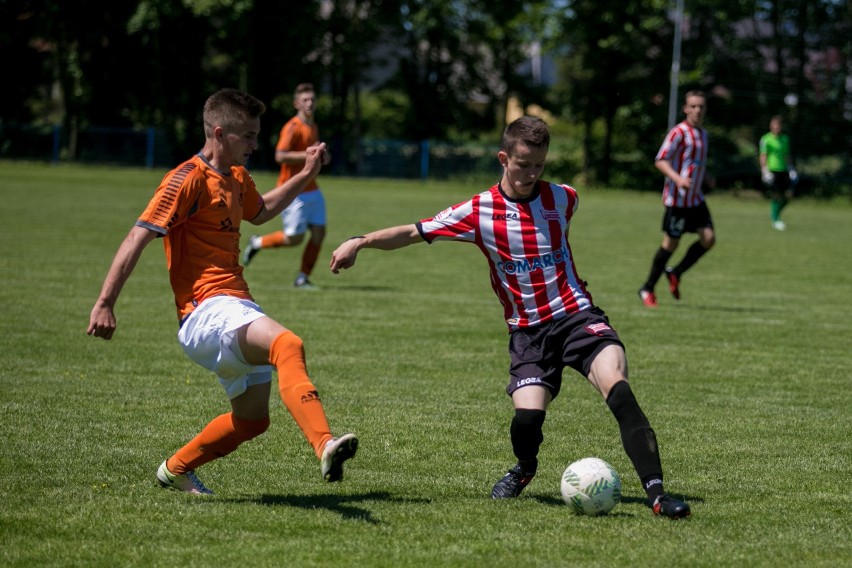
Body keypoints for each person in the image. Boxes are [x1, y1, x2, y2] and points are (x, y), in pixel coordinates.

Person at [329, 116, 691, 519]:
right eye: (523, 165)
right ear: (504, 158)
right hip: (528, 333)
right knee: (527, 418)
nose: (532, 174)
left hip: (577, 316)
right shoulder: (479, 210)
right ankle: (525, 467)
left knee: (619, 390)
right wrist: (360, 241)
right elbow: (415, 232)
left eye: (539, 165)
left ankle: (658, 495)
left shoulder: (564, 198)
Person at [87, 88, 357, 495]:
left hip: (232, 306)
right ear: (219, 133)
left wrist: (304, 175)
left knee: (252, 420)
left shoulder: (236, 177)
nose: (255, 144)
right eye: (247, 135)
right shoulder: (187, 179)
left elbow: (261, 211)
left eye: (255, 134)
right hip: (206, 311)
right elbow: (136, 238)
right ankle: (325, 444)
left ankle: (175, 470)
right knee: (287, 345)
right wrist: (105, 302)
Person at [242, 83, 332, 288]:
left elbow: (314, 149)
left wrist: (322, 154)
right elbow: (280, 155)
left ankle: (302, 278)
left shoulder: (313, 125)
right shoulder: (292, 127)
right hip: (293, 191)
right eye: (305, 100)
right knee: (294, 239)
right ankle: (257, 243)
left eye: (312, 99)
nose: (310, 103)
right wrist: (309, 154)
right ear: (296, 103)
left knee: (319, 233)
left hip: (312, 188)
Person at [638, 90, 716, 308]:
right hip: (678, 201)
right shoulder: (678, 132)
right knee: (670, 244)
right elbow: (661, 160)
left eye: (701, 106)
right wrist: (678, 178)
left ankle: (676, 272)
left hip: (696, 199)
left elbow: (695, 163)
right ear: (685, 108)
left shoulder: (703, 134)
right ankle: (647, 288)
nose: (698, 110)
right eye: (693, 106)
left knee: (708, 239)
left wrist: (707, 177)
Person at [759, 115, 797, 231]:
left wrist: (791, 168)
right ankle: (776, 219)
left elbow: (787, 155)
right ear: (771, 126)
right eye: (774, 125)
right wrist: (764, 170)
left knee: (788, 196)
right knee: (776, 195)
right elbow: (763, 155)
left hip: (783, 170)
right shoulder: (766, 139)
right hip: (772, 171)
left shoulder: (785, 139)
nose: (776, 128)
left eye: (779, 126)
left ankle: (775, 214)